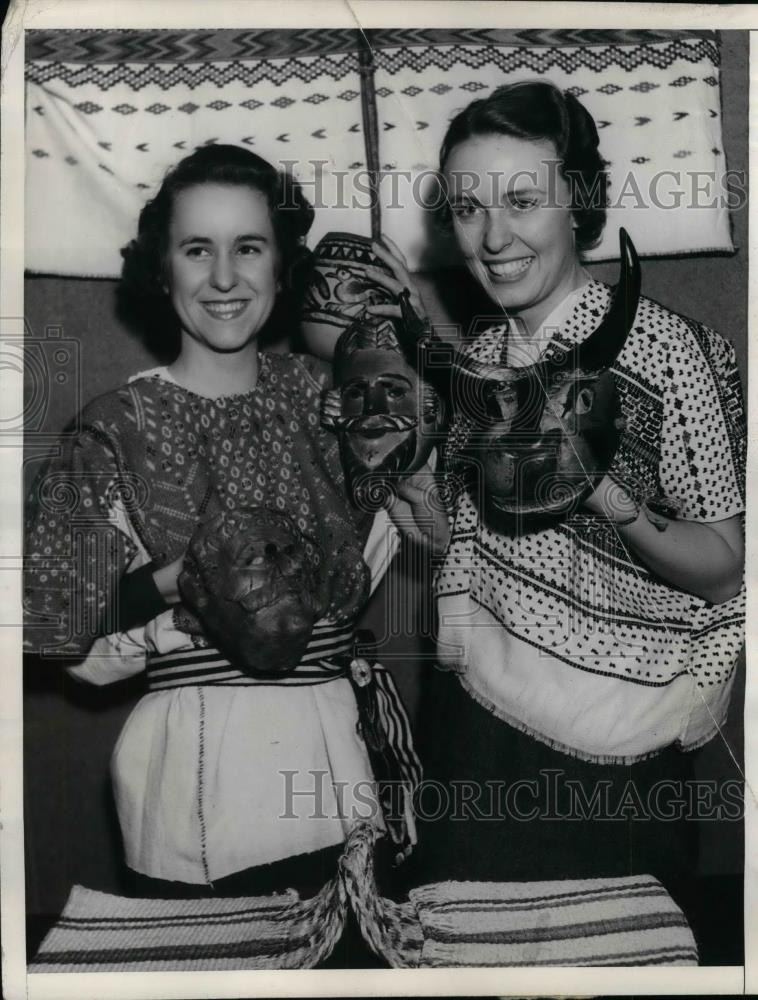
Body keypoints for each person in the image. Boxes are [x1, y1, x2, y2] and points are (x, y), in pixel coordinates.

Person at [364, 81, 746, 937]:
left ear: (578, 201)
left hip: (614, 754)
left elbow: (727, 570)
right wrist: (413, 496)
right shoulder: (487, 353)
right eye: (467, 208)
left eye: (522, 201)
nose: (493, 237)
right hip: (470, 733)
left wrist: (604, 491)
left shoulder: (678, 352)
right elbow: (461, 543)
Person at [23, 145, 417, 905]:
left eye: (249, 248)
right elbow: (51, 627)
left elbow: (440, 513)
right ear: (162, 269)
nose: (226, 278)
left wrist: (409, 341)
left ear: (281, 266)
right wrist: (172, 582)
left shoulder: (335, 403)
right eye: (197, 249)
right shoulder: (114, 429)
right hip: (196, 776)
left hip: (338, 758)